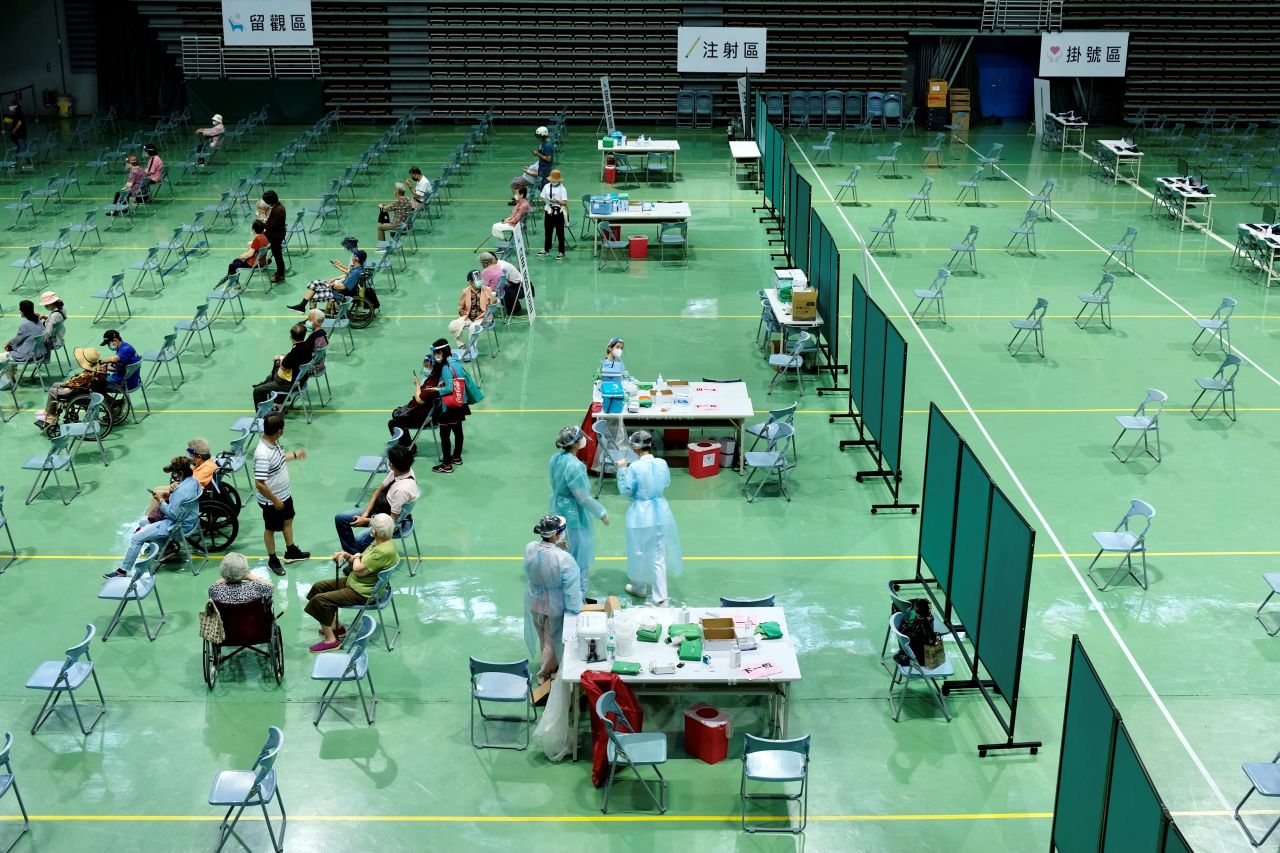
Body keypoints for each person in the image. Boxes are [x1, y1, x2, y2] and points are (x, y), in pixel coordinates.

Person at [305, 513, 398, 653]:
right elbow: (361, 563)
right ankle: (337, 627)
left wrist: (354, 557)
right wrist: (348, 555)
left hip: (364, 592)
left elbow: (358, 569)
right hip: (357, 582)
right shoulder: (383, 541)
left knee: (320, 601)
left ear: (374, 532)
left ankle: (331, 641)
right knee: (319, 587)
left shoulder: (383, 551)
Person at [104, 456, 203, 578]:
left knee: (136, 538)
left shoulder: (181, 492)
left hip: (178, 527)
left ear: (181, 473)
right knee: (143, 522)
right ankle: (166, 549)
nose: (173, 475)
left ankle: (123, 571)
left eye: (174, 473)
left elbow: (173, 515)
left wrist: (160, 500)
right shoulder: (194, 481)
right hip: (192, 520)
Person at [617, 430, 683, 606]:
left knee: (638, 551)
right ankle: (661, 597)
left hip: (640, 515)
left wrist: (622, 470)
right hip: (661, 512)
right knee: (658, 555)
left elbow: (626, 490)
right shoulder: (662, 463)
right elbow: (666, 482)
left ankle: (639, 587)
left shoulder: (634, 467)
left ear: (635, 447)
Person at [549, 426, 609, 602]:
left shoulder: (556, 459)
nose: (584, 440)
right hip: (573, 513)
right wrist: (601, 512)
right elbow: (582, 497)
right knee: (579, 557)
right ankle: (578, 598)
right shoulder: (575, 466)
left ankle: (568, 594)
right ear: (575, 443)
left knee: (563, 550)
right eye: (581, 438)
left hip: (558, 508)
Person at [523, 515, 584, 683]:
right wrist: (575, 609)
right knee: (552, 638)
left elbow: (544, 559)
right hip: (553, 604)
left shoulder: (530, 547)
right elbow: (572, 588)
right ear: (556, 535)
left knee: (542, 634)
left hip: (534, 599)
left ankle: (548, 664)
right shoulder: (564, 558)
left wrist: (557, 547)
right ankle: (545, 675)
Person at [253, 411, 310, 575]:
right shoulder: (263, 454)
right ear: (279, 432)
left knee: (288, 519)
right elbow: (259, 484)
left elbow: (277, 460)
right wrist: (275, 500)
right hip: (272, 501)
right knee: (270, 529)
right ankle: (272, 559)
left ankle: (291, 551)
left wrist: (294, 455)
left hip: (284, 494)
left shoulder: (273, 443)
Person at [335, 444, 419, 555]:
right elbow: (377, 491)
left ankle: (360, 563)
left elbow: (391, 523)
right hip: (381, 511)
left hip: (390, 522)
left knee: (361, 539)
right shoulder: (398, 471)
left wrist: (367, 521)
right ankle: (354, 557)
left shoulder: (401, 491)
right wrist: (365, 514)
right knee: (341, 519)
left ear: (392, 465)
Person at [428, 338, 482, 473]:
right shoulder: (457, 363)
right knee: (458, 431)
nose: (435, 356)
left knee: (444, 434)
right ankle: (457, 457)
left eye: (436, 353)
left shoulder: (446, 367)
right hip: (460, 403)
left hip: (449, 406)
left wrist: (437, 389)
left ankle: (447, 465)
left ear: (440, 352)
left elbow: (449, 388)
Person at [33, 346, 110, 430]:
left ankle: (51, 417)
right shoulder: (94, 371)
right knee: (55, 384)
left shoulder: (87, 374)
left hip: (77, 393)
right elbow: (77, 381)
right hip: (82, 390)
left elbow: (74, 383)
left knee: (52, 391)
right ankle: (47, 412)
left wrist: (67, 386)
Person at [285, 249, 365, 313]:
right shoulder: (358, 269)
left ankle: (309, 315)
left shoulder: (356, 272)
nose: (352, 257)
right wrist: (336, 274)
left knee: (313, 295)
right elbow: (348, 274)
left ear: (356, 259)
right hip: (338, 289)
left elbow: (343, 286)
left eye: (354, 256)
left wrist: (332, 285)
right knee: (314, 283)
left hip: (338, 293)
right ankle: (302, 306)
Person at [252, 322, 309, 406]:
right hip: (300, 380)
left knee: (258, 391)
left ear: (291, 337)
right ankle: (280, 403)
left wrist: (280, 359)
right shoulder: (306, 347)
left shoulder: (295, 351)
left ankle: (263, 416)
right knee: (270, 377)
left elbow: (284, 366)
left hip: (288, 384)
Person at [388, 353, 440, 445]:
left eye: (427, 366)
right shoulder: (434, 379)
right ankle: (408, 444)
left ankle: (407, 447)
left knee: (393, 423)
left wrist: (417, 385)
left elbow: (419, 400)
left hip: (424, 417)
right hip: (424, 412)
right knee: (397, 416)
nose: (425, 368)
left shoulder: (432, 384)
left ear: (433, 367)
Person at [449, 270, 496, 360]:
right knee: (453, 325)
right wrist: (462, 315)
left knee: (473, 328)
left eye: (479, 278)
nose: (478, 280)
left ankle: (471, 350)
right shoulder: (465, 291)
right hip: (468, 316)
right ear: (470, 282)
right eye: (476, 279)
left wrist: (494, 299)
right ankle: (462, 346)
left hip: (482, 317)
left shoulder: (487, 289)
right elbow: (460, 305)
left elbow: (493, 303)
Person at [0, 300, 44, 381]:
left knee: (4, 355)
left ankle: (10, 379)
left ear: (22, 312)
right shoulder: (39, 320)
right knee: (12, 351)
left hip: (28, 355)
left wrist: (8, 343)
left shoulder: (25, 324)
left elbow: (17, 341)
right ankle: (11, 374)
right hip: (40, 353)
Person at [208, 552, 273, 607]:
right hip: (254, 621)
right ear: (245, 570)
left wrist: (227, 577)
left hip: (225, 622)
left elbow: (216, 584)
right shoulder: (256, 588)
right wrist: (249, 576)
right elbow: (270, 586)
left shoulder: (214, 589)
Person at [478, 251, 528, 317]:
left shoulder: (486, 272)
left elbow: (484, 286)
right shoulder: (498, 267)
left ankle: (479, 312)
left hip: (511, 289)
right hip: (502, 291)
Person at [539, 169, 568, 259]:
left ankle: (561, 252)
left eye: (554, 180)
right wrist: (547, 202)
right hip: (549, 211)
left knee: (560, 233)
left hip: (558, 213)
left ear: (558, 180)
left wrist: (557, 201)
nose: (552, 181)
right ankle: (546, 249)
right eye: (551, 180)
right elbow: (543, 197)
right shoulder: (547, 186)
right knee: (548, 231)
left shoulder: (562, 189)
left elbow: (565, 202)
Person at [262, 190, 287, 283]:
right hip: (277, 234)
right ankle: (280, 273)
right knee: (277, 255)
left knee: (278, 256)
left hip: (276, 236)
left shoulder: (278, 210)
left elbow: (271, 226)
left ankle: (280, 275)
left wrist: (263, 224)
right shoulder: (278, 207)